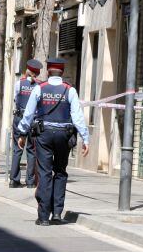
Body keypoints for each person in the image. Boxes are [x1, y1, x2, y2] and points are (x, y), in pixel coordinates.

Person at [17, 57, 89, 226]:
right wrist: (85, 138)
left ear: (48, 71)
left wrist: (22, 133)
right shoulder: (69, 90)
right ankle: (57, 213)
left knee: (44, 173)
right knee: (61, 172)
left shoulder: (40, 89)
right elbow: (78, 117)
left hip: (44, 135)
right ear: (62, 72)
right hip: (64, 135)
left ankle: (43, 217)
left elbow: (28, 114)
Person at [10, 59, 42, 188]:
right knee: (31, 151)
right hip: (33, 121)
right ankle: (30, 181)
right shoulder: (40, 86)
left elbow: (16, 99)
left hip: (19, 119)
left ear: (27, 71)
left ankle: (14, 180)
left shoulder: (19, 84)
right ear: (37, 73)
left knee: (17, 149)